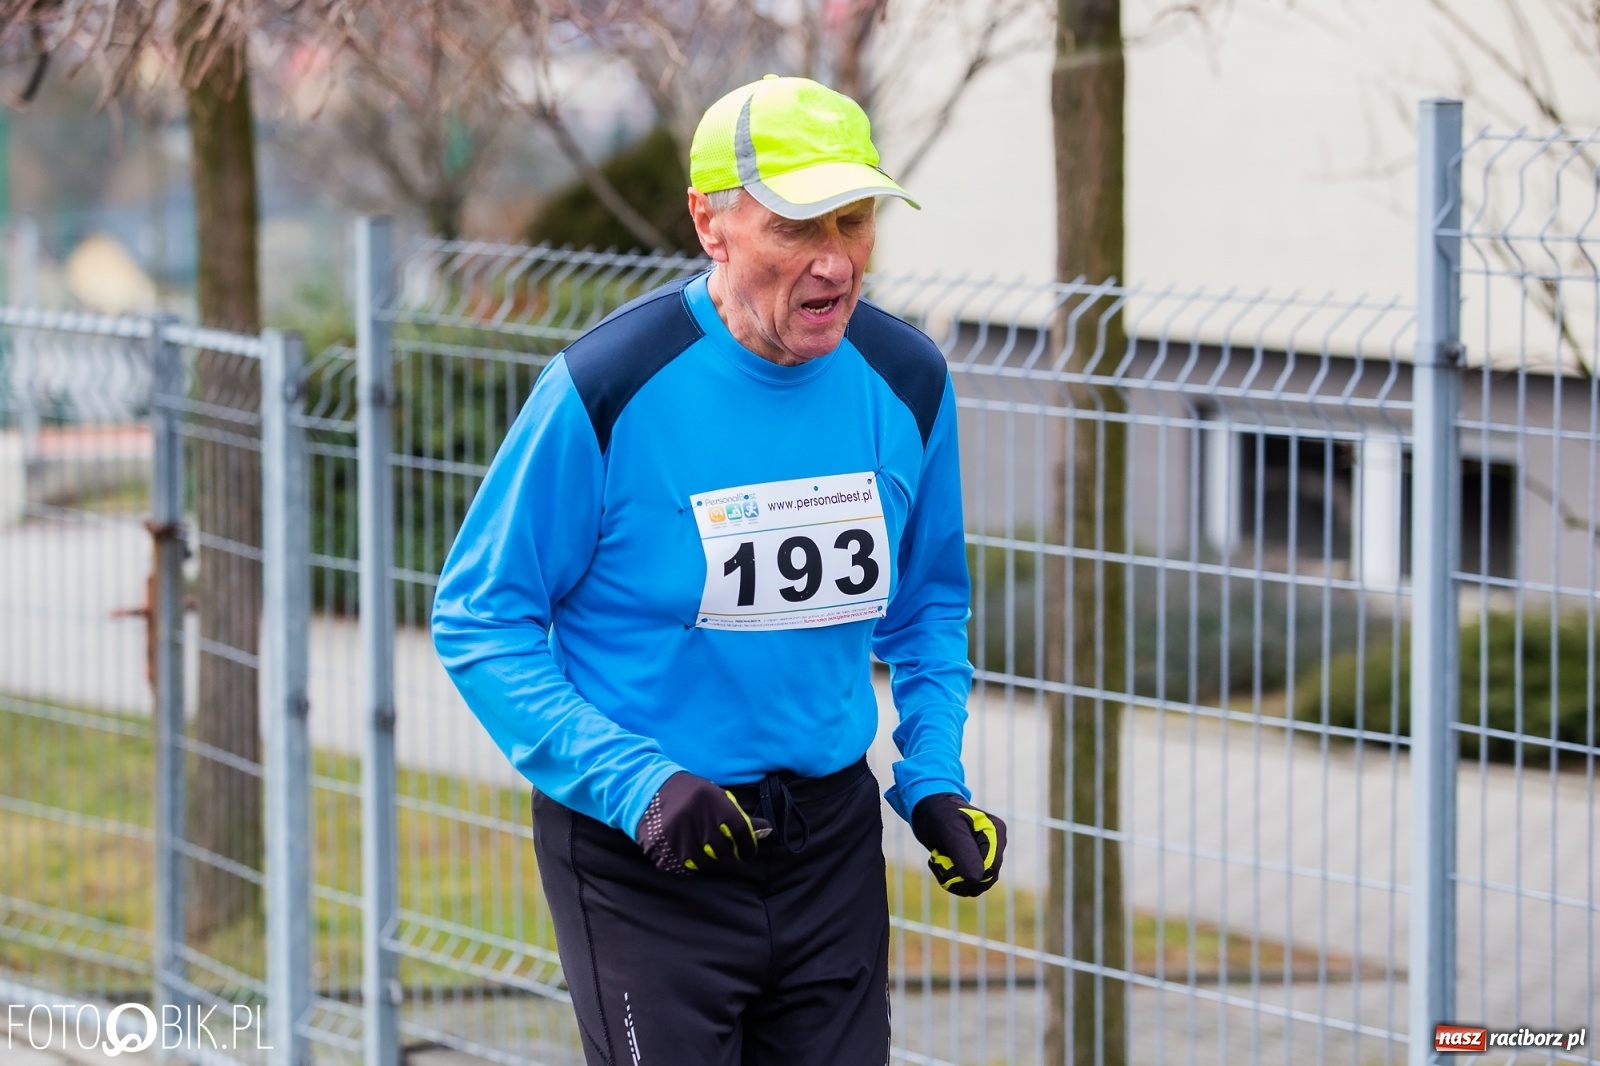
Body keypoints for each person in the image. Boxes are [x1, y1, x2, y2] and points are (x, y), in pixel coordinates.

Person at [432, 73, 1007, 1066]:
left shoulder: (907, 382)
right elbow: (480, 619)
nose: (835, 263)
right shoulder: (604, 390)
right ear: (712, 223)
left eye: (855, 221)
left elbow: (927, 603)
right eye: (796, 228)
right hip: (648, 847)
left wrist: (934, 778)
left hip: (826, 845)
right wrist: (637, 782)